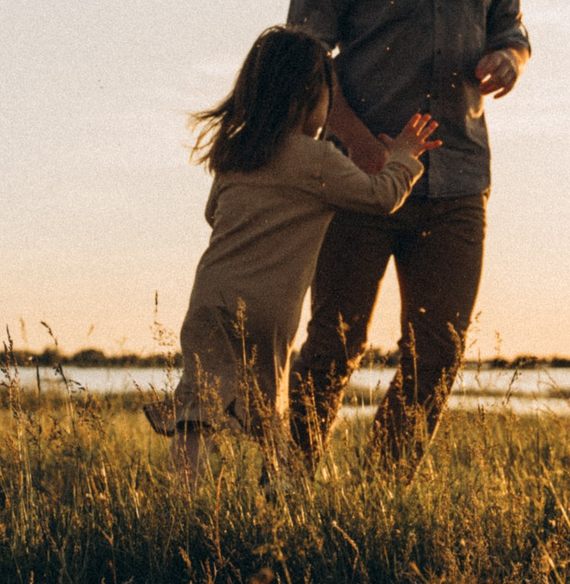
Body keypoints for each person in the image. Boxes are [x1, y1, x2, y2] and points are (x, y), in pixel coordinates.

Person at [284, 0, 532, 476]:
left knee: (440, 351)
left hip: (457, 180)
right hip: (357, 179)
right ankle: (295, 487)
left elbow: (513, 28)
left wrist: (510, 59)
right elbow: (306, 54)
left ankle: (380, 494)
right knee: (333, 344)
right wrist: (364, 149)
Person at [147, 25, 440, 482]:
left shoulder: (236, 152)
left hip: (210, 300)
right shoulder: (319, 160)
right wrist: (403, 156)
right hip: (269, 310)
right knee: (269, 414)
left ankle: (184, 505)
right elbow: (381, 197)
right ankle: (282, 499)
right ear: (309, 98)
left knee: (196, 410)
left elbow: (213, 215)